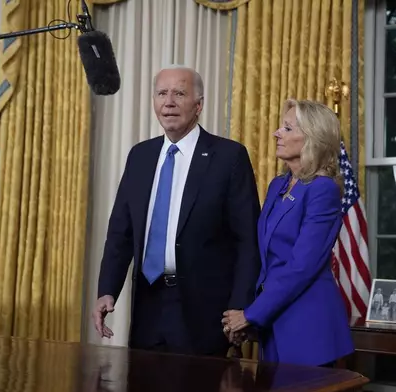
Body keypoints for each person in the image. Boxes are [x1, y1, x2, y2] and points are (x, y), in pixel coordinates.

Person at [92, 65, 261, 356]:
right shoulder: (140, 156)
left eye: (179, 93)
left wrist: (240, 305)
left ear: (198, 105)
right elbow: (121, 231)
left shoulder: (229, 157)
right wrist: (107, 289)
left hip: (203, 311)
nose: (168, 102)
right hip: (148, 304)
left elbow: (248, 239)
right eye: (161, 93)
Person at [221, 99, 354, 367]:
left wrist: (251, 314)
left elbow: (301, 267)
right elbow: (267, 260)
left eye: (288, 128)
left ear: (313, 139)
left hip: (307, 327)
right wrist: (254, 317)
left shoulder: (323, 190)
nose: (276, 133)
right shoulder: (278, 186)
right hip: (275, 321)